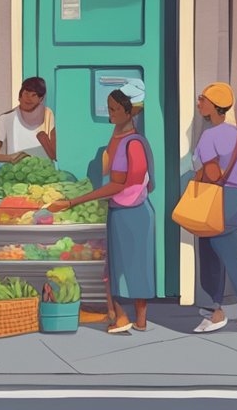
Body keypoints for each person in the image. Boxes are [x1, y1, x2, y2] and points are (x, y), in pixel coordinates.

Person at [48, 81, 155, 335]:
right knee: (122, 266)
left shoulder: (134, 143)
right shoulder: (119, 137)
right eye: (109, 108)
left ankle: (125, 318)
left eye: (116, 109)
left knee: (130, 267)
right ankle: (131, 318)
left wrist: (73, 201)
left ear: (130, 112)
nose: (111, 114)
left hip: (132, 213)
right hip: (126, 209)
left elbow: (119, 183)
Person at [191, 82, 237, 333]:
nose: (199, 104)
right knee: (218, 251)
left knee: (223, 254)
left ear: (215, 105)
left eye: (203, 99)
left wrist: (196, 175)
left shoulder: (210, 135)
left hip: (217, 199)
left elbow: (212, 173)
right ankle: (216, 305)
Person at [0, 77, 56, 169]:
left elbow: (54, 154)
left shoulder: (48, 114)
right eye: (26, 93)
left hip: (43, 172)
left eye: (34, 95)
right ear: (20, 95)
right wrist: (11, 158)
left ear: (41, 99)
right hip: (18, 172)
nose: (28, 98)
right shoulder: (5, 118)